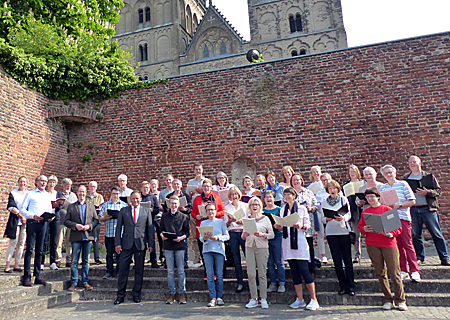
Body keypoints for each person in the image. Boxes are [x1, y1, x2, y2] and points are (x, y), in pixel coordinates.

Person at [359, 187, 407, 311]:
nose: (370, 199)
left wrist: (390, 234)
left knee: (394, 272)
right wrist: (364, 229)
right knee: (380, 273)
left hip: (389, 244)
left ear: (378, 197)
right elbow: (361, 227)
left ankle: (400, 300)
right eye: (368, 197)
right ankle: (387, 298)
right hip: (372, 244)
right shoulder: (366, 212)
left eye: (372, 197)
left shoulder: (387, 210)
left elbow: (398, 228)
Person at [274, 187, 319, 311]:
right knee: (294, 271)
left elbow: (308, 225)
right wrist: (278, 226)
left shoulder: (302, 208)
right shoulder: (283, 209)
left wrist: (301, 225)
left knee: (304, 270)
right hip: (288, 242)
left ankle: (314, 299)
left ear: (294, 196)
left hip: (299, 242)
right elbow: (284, 227)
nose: (287, 197)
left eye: (289, 195)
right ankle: (300, 299)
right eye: (285, 195)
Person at [403, 156, 450, 266]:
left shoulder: (428, 176)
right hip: (413, 209)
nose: (412, 164)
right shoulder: (405, 178)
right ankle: (419, 258)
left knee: (436, 233)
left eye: (414, 162)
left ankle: (444, 257)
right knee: (415, 235)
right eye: (410, 162)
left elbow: (438, 191)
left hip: (428, 209)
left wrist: (427, 192)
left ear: (420, 163)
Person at [380, 165, 420, 282]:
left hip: (403, 217)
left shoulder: (403, 184)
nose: (389, 175)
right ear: (383, 175)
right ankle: (403, 270)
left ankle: (414, 270)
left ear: (395, 172)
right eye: (386, 173)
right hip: (391, 218)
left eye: (390, 172)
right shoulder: (383, 188)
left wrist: (399, 206)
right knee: (397, 246)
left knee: (408, 244)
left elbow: (412, 200)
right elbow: (382, 204)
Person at [114, 190, 154, 304]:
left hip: (140, 244)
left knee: (139, 270)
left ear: (140, 199)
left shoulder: (146, 211)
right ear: (130, 200)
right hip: (126, 244)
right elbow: (118, 229)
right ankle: (120, 295)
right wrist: (117, 243)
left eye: (137, 198)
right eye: (133, 198)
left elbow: (149, 230)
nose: (135, 200)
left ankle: (136, 294)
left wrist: (150, 244)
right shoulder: (123, 211)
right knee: (123, 270)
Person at [320, 180, 355, 296]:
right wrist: (327, 219)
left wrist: (343, 218)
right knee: (337, 261)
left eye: (334, 188)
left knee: (347, 260)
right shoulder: (324, 202)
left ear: (338, 189)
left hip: (343, 231)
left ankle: (350, 286)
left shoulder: (343, 199)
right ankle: (342, 285)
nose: (332, 190)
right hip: (331, 232)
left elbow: (348, 214)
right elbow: (322, 218)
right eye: (330, 188)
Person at [20, 175, 53, 287]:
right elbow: (22, 209)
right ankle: (27, 277)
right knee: (29, 249)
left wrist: (50, 216)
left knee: (40, 250)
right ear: (36, 182)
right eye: (42, 181)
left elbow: (49, 208)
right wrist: (32, 215)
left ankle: (37, 276)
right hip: (33, 223)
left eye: (45, 181)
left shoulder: (48, 195)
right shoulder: (30, 194)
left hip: (43, 223)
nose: (44, 183)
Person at [65, 185, 99, 291]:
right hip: (76, 236)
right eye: (80, 192)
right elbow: (66, 221)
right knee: (74, 261)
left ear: (86, 193)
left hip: (87, 236)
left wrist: (89, 226)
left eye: (83, 192)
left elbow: (96, 220)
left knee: (86, 261)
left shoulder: (91, 206)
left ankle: (85, 282)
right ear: (77, 193)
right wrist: (75, 225)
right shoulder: (71, 206)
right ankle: (74, 282)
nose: (82, 194)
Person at [242, 197, 274, 309]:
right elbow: (243, 235)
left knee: (262, 273)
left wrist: (262, 235)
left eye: (256, 204)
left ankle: (263, 298)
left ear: (260, 206)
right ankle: (254, 298)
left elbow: (272, 235)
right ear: (250, 207)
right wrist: (244, 235)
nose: (254, 207)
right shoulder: (247, 218)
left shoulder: (265, 218)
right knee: (251, 274)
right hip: (249, 246)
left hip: (262, 246)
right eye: (252, 205)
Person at [160, 196, 190, 305]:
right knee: (170, 271)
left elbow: (187, 233)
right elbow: (161, 230)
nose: (174, 205)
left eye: (175, 204)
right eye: (172, 203)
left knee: (181, 271)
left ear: (178, 205)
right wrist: (162, 235)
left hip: (179, 246)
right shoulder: (164, 216)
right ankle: (171, 293)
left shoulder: (184, 217)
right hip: (168, 245)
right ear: (169, 205)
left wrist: (181, 238)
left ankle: (182, 293)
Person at [200, 202, 230, 307]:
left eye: (212, 209)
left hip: (219, 250)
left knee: (220, 275)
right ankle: (212, 297)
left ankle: (219, 297)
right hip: (207, 250)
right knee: (210, 274)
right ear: (206, 212)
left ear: (215, 211)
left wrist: (217, 238)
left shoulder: (220, 222)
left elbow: (227, 236)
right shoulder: (203, 223)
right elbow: (200, 237)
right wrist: (204, 238)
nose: (210, 212)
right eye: (208, 210)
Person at [191, 179, 225, 271]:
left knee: (214, 252)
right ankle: (207, 272)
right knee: (204, 250)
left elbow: (222, 211)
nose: (206, 188)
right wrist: (197, 216)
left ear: (211, 187)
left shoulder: (216, 198)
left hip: (215, 226)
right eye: (204, 186)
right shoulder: (197, 198)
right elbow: (193, 212)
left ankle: (215, 272)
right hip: (202, 225)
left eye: (208, 186)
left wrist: (212, 214)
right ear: (202, 188)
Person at [291, 173, 320, 276]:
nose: (296, 182)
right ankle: (300, 271)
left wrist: (310, 208)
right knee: (297, 250)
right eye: (293, 180)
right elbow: (283, 206)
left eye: (297, 180)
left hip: (307, 226)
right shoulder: (289, 193)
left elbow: (316, 206)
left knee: (309, 248)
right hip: (294, 227)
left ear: (301, 181)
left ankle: (311, 270)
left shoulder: (308, 192)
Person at [98, 186, 128, 279]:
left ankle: (119, 271)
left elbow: (128, 219)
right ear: (111, 194)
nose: (116, 195)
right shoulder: (106, 205)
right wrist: (105, 218)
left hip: (120, 234)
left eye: (117, 194)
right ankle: (109, 271)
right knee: (109, 254)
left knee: (120, 254)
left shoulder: (124, 205)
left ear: (120, 194)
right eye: (114, 194)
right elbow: (100, 218)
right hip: (109, 233)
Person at [224, 186, 249, 293]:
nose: (234, 196)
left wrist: (243, 222)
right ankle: (240, 282)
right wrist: (230, 221)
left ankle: (253, 281)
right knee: (236, 259)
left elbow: (250, 220)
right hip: (233, 233)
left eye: (236, 194)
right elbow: (225, 224)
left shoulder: (245, 206)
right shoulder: (227, 207)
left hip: (243, 232)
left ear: (239, 195)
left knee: (248, 257)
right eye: (232, 194)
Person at [164, 179, 192, 268]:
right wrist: (168, 209)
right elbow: (165, 208)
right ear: (172, 185)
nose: (176, 186)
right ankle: (171, 261)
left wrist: (185, 209)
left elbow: (190, 208)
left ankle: (184, 260)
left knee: (184, 241)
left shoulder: (186, 196)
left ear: (181, 185)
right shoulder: (169, 196)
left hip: (183, 219)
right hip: (172, 219)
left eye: (178, 184)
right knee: (171, 240)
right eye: (174, 184)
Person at [262, 190, 285, 293]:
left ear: (274, 198)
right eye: (266, 197)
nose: (269, 199)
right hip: (266, 238)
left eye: (270, 197)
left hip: (277, 237)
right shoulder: (262, 211)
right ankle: (273, 283)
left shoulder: (279, 210)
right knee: (269, 262)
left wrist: (279, 226)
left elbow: (284, 226)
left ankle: (282, 283)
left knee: (279, 261)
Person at [4, 176, 28, 273]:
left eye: (24, 182)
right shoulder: (13, 193)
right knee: (13, 242)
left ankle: (17, 264)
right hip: (16, 220)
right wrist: (20, 215)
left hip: (26, 221)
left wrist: (25, 217)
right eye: (21, 181)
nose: (22, 183)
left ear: (26, 183)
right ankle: (7, 265)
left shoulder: (29, 194)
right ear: (18, 182)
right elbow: (10, 206)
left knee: (22, 243)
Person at [342, 165, 363, 264]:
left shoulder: (363, 183)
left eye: (354, 171)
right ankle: (357, 255)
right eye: (350, 171)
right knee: (356, 233)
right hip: (353, 211)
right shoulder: (346, 185)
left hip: (363, 209)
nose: (352, 173)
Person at [42, 175, 63, 271]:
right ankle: (41, 262)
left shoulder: (58, 193)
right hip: (46, 217)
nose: (52, 184)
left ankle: (52, 261)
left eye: (54, 182)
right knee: (44, 239)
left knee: (54, 241)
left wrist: (57, 205)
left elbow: (61, 207)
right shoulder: (44, 193)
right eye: (50, 182)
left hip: (55, 218)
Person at [56, 178, 77, 268]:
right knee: (59, 241)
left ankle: (69, 259)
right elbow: (56, 206)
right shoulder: (59, 195)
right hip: (62, 220)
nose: (68, 187)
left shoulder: (73, 195)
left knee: (69, 241)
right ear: (63, 186)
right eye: (66, 186)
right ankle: (58, 260)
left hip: (71, 221)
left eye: (69, 186)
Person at [186, 164, 205, 264]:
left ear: (202, 170)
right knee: (195, 236)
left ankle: (205, 256)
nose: (198, 171)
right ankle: (197, 257)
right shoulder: (190, 182)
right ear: (194, 171)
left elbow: (209, 195)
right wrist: (190, 195)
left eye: (199, 169)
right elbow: (187, 197)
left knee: (204, 235)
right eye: (196, 170)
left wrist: (202, 192)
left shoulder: (205, 181)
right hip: (194, 211)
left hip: (204, 213)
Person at [141, 181, 160, 268]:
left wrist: (152, 210)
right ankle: (140, 261)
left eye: (147, 188)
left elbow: (157, 209)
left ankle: (154, 261)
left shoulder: (153, 197)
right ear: (141, 189)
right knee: (140, 242)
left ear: (150, 188)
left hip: (150, 222)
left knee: (151, 241)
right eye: (144, 187)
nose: (145, 189)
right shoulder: (139, 197)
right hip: (140, 223)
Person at [86, 180, 104, 265]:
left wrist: (99, 209)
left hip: (96, 220)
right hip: (87, 221)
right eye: (91, 186)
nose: (92, 188)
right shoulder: (86, 197)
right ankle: (86, 258)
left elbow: (103, 209)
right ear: (89, 187)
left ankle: (97, 258)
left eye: (94, 186)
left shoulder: (100, 197)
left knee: (95, 239)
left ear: (96, 188)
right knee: (86, 239)